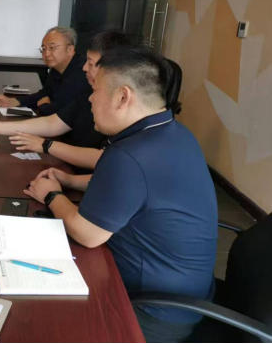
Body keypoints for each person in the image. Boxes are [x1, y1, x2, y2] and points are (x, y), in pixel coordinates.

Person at [24, 47, 217, 342]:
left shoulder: (130, 155)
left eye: (96, 91)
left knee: (40, 320)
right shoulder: (173, 133)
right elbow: (136, 190)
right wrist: (71, 180)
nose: (90, 99)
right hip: (188, 297)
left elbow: (88, 234)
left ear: (123, 97)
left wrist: (52, 195)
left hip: (150, 311)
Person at [0, 31, 131, 168]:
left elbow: (106, 159)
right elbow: (54, 122)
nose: (85, 68)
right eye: (44, 48)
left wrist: (46, 145)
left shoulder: (122, 108)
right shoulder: (88, 92)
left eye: (91, 63)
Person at [0, 26, 89, 116]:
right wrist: (13, 101)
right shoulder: (57, 67)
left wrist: (43, 105)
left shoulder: (82, 72)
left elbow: (58, 112)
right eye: (44, 48)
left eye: (52, 48)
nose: (46, 53)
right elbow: (44, 94)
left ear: (70, 49)